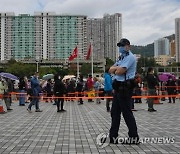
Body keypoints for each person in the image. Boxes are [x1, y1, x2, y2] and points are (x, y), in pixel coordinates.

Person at [109, 38, 139, 144]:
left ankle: (134, 137)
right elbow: (110, 69)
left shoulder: (130, 57)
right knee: (114, 112)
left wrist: (116, 69)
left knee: (126, 113)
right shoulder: (122, 57)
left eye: (122, 45)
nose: (120, 48)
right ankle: (113, 136)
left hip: (125, 87)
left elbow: (120, 71)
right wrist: (116, 68)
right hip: (118, 87)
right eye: (120, 46)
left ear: (128, 46)